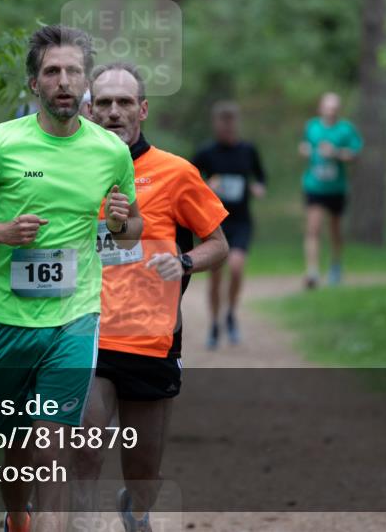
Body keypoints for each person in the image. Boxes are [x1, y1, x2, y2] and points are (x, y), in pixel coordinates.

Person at [0, 25, 143, 532]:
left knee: (53, 445)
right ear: (34, 84)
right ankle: (16, 516)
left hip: (75, 317)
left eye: (73, 71)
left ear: (86, 82)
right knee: (16, 444)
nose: (64, 81)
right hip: (5, 317)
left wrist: (118, 221)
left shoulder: (109, 151)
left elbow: (131, 225)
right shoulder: (2, 145)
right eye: (52, 72)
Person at [76, 63, 228, 532]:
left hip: (151, 341)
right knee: (84, 450)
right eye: (104, 102)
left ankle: (135, 508)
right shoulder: (69, 171)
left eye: (124, 102)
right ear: (89, 109)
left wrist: (183, 263)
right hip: (85, 334)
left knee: (143, 470)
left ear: (142, 109)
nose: (114, 112)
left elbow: (218, 244)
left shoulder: (175, 172)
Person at [192, 101, 266, 348]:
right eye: (222, 124)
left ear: (236, 124)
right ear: (216, 125)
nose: (226, 128)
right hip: (215, 224)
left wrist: (258, 186)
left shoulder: (248, 150)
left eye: (230, 123)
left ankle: (231, 313)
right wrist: (206, 185)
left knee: (236, 268)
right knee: (215, 277)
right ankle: (214, 324)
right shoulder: (207, 152)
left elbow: (261, 175)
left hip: (241, 221)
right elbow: (188, 178)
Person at [299, 92, 362, 289]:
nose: (331, 112)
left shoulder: (346, 129)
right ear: (321, 108)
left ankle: (335, 265)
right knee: (313, 228)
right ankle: (313, 271)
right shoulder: (312, 126)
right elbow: (303, 145)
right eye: (328, 108)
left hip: (336, 188)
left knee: (335, 229)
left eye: (334, 108)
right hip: (314, 185)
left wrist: (334, 153)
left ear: (338, 110)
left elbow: (354, 154)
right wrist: (305, 150)